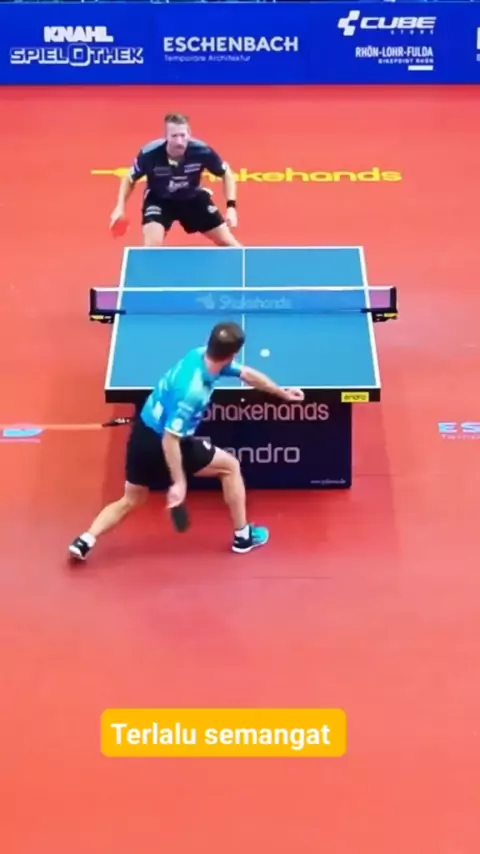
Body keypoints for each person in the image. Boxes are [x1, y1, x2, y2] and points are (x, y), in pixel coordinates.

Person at [68, 322, 304, 561]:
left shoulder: (197, 354)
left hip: (142, 435)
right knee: (230, 467)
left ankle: (86, 539)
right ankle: (243, 537)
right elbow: (170, 439)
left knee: (131, 499)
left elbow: (246, 374)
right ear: (233, 354)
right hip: (167, 442)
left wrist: (282, 392)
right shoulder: (193, 392)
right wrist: (179, 483)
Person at [110, 112, 240, 247]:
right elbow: (129, 178)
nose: (179, 141)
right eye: (174, 136)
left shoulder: (202, 152)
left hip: (192, 198)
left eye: (183, 135)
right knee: (151, 248)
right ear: (166, 136)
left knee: (230, 244)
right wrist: (120, 208)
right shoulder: (149, 154)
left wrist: (231, 207)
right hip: (159, 200)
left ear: (189, 134)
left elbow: (226, 173)